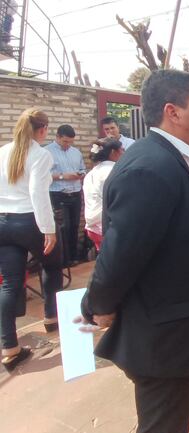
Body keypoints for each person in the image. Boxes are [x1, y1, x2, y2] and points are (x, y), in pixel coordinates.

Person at [78, 69, 189, 433]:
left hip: (176, 334)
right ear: (173, 112)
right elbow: (120, 255)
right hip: (165, 341)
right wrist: (97, 306)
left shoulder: (169, 158)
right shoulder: (150, 167)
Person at [0, 108, 63, 371]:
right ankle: (51, 316)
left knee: (10, 284)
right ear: (43, 129)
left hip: (3, 221)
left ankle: (9, 346)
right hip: (29, 221)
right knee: (52, 265)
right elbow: (39, 193)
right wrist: (48, 229)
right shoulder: (40, 154)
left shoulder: (4, 150)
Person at [44, 124, 85, 266]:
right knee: (63, 227)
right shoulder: (46, 152)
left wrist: (80, 174)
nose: (68, 145)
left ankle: (73, 257)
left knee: (74, 226)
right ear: (57, 137)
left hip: (74, 193)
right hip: (58, 194)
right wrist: (62, 176)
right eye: (65, 141)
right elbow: (43, 175)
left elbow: (82, 168)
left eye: (70, 142)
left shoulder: (76, 152)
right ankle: (62, 260)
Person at [82, 138, 124, 251]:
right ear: (113, 153)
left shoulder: (91, 173)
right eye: (122, 150)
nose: (124, 153)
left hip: (93, 226)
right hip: (107, 226)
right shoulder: (114, 171)